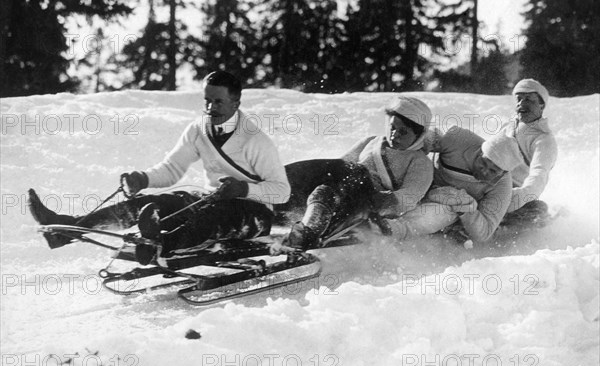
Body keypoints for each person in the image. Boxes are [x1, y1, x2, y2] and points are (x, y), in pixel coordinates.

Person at [28, 71, 291, 264]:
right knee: (157, 202)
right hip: (210, 199)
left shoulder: (255, 140)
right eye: (206, 101)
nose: (210, 108)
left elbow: (281, 192)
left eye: (218, 102)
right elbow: (173, 168)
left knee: (210, 218)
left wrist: (243, 189)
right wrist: (143, 179)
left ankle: (159, 244)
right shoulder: (198, 130)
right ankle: (67, 228)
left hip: (253, 214)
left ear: (236, 103)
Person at [274, 96, 434, 251]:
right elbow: (337, 167)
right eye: (393, 128)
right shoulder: (371, 141)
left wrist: (376, 202)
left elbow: (409, 197)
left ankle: (310, 231)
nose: (394, 135)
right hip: (341, 192)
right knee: (328, 178)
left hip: (367, 203)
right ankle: (266, 200)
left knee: (357, 171)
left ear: (418, 135)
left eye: (403, 132)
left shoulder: (420, 162)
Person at [383, 127, 524, 244]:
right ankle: (372, 207)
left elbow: (484, 233)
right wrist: (428, 140)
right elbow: (420, 140)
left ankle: (390, 229)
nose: (485, 171)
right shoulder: (459, 140)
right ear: (480, 151)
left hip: (446, 210)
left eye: (493, 171)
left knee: (444, 211)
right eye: (483, 163)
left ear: (502, 173)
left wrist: (465, 206)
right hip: (422, 183)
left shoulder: (502, 186)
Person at [501, 79, 557, 223]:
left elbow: (539, 174)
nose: (521, 104)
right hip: (487, 182)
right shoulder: (509, 126)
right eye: (519, 99)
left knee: (538, 209)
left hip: (511, 192)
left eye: (529, 100)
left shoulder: (544, 140)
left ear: (541, 105)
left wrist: (520, 196)